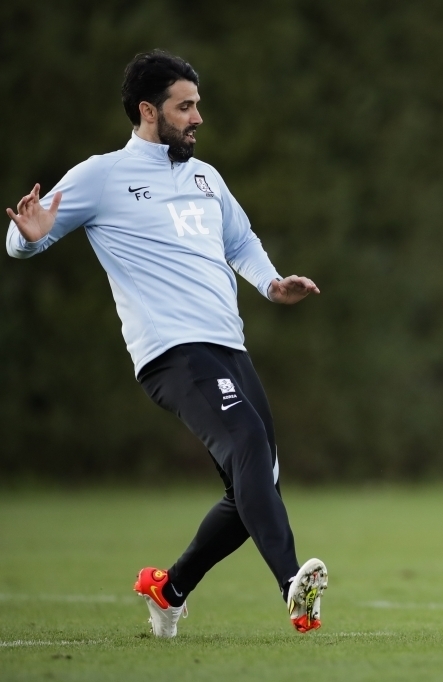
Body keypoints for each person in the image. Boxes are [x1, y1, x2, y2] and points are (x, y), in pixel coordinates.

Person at [5, 51, 327, 638]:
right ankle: (292, 588)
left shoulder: (206, 177)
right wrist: (27, 240)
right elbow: (24, 238)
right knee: (250, 445)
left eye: (198, 104)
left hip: (228, 346)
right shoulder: (100, 175)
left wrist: (272, 282)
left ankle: (168, 588)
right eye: (186, 106)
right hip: (172, 353)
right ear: (149, 111)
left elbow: (242, 241)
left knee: (254, 485)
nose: (198, 115)